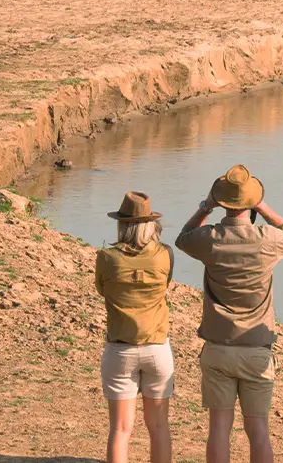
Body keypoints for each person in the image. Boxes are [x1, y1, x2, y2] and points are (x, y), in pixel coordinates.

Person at [175, 165, 283, 463]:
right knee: (258, 429)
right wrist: (263, 205)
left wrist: (206, 206)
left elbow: (183, 237)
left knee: (219, 427)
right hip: (256, 349)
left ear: (223, 202)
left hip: (218, 347)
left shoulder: (210, 238)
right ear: (250, 203)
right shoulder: (266, 239)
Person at [96, 191, 175, 463]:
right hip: (157, 348)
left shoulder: (106, 257)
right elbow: (165, 285)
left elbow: (101, 289)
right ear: (150, 225)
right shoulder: (164, 255)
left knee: (120, 429)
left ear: (122, 224)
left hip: (120, 349)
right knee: (159, 427)